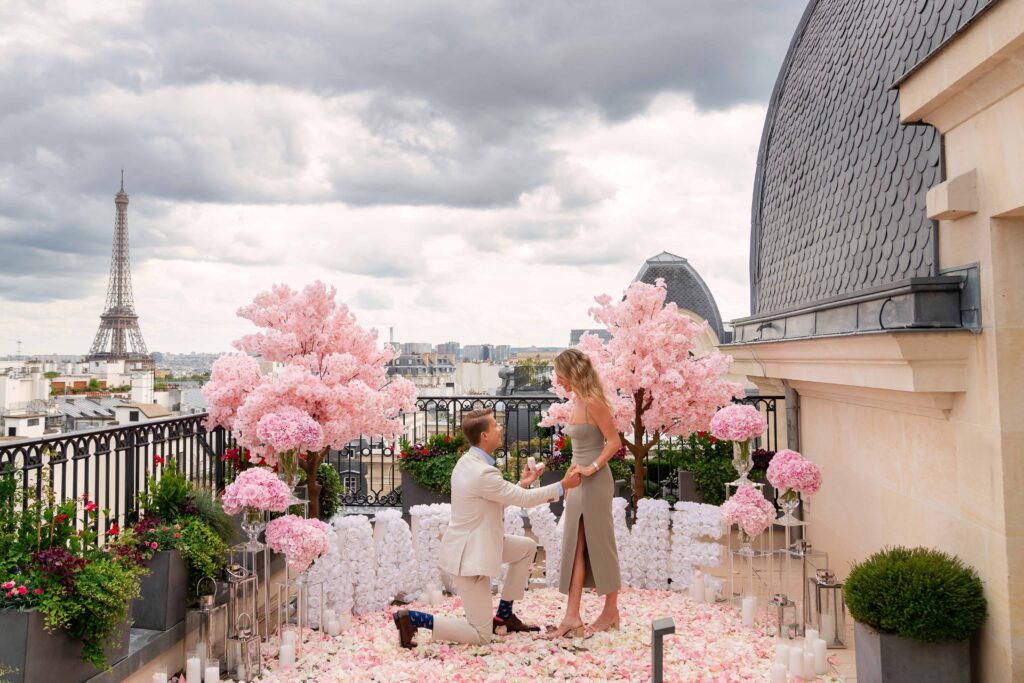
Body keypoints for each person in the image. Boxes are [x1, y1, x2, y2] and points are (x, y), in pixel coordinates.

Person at [393, 408, 583, 648]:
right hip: (471, 557)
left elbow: (496, 497)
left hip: (479, 543)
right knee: (480, 635)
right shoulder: (482, 472)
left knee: (526, 547)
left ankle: (504, 616)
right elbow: (521, 500)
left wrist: (522, 484)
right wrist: (563, 485)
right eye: (495, 425)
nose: (500, 428)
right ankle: (413, 619)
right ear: (484, 436)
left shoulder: (469, 462)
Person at [549, 348, 623, 638]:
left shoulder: (593, 401)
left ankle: (610, 612)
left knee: (600, 544)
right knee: (575, 545)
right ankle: (571, 616)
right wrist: (569, 480)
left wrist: (591, 468)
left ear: (571, 372)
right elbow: (578, 449)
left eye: (560, 374)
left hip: (595, 481)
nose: (558, 380)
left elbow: (614, 442)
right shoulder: (577, 400)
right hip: (578, 482)